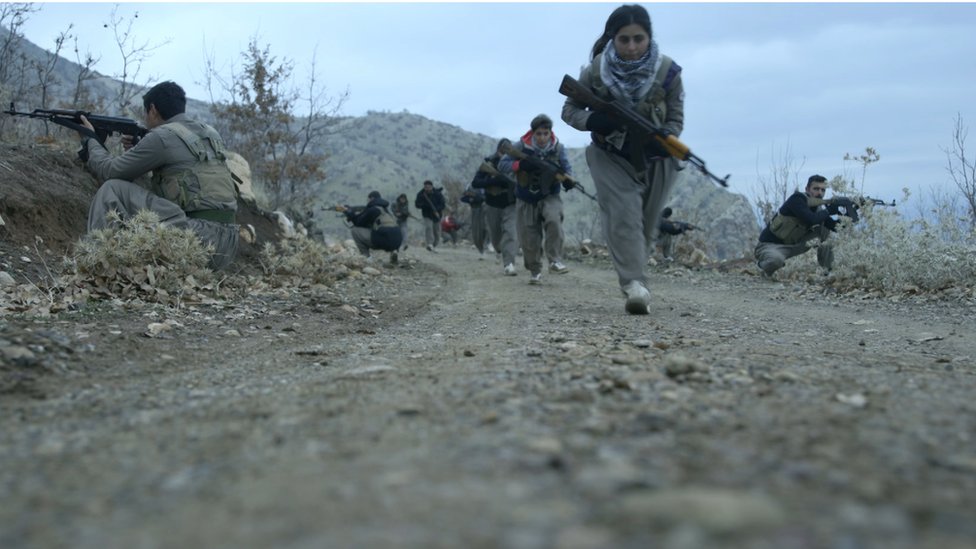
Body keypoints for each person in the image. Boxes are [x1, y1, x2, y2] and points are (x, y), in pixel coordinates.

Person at [561, 4, 685, 313]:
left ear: (649, 37)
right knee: (624, 216)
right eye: (624, 39)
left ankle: (636, 276)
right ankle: (634, 285)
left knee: (646, 224)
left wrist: (661, 137)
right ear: (612, 39)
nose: (631, 47)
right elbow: (570, 110)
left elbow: (676, 120)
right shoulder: (595, 72)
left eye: (638, 39)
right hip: (610, 155)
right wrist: (593, 122)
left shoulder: (668, 73)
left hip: (656, 159)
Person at [78, 81, 239, 270]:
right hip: (226, 245)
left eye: (145, 113)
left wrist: (90, 139)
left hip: (195, 240)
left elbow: (110, 171)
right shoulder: (210, 133)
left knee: (112, 189)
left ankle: (96, 264)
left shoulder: (162, 136)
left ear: (152, 109)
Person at [498, 114, 572, 285]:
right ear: (533, 133)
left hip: (550, 195)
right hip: (526, 197)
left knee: (554, 221)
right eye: (538, 134)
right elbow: (502, 165)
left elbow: (567, 168)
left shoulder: (558, 148)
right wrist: (519, 165)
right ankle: (535, 270)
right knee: (529, 237)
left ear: (550, 133)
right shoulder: (520, 147)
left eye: (545, 133)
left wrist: (568, 180)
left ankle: (554, 260)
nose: (542, 137)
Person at [754, 174, 852, 278]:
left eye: (823, 190)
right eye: (816, 189)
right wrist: (829, 210)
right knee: (775, 261)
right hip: (770, 246)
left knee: (824, 230)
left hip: (794, 245)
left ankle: (827, 272)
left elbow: (835, 227)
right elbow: (811, 219)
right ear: (807, 189)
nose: (820, 193)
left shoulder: (817, 208)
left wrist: (848, 215)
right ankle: (761, 266)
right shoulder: (797, 199)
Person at [470, 138, 519, 276]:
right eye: (502, 150)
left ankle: (509, 263)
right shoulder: (489, 163)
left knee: (511, 233)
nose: (504, 153)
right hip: (492, 204)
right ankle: (499, 250)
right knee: (496, 237)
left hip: (510, 204)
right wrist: (493, 180)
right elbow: (476, 182)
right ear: (498, 150)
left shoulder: (515, 163)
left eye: (507, 150)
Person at [337, 190, 403, 264]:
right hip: (398, 240)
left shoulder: (372, 209)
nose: (367, 202)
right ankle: (394, 251)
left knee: (355, 231)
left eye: (367, 200)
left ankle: (367, 258)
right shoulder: (386, 210)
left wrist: (349, 213)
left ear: (371, 199)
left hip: (385, 239)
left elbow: (358, 222)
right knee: (387, 231)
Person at [415, 180, 445, 252]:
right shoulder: (421, 194)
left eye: (429, 187)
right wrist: (425, 206)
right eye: (426, 187)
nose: (427, 188)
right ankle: (430, 244)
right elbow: (417, 204)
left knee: (437, 232)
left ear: (432, 187)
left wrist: (436, 210)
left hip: (437, 215)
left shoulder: (438, 194)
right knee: (429, 228)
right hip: (427, 214)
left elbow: (442, 204)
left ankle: (433, 245)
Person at [460, 183, 487, 257]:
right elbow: (463, 198)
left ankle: (486, 246)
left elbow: (484, 197)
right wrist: (470, 198)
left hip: (484, 209)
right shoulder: (470, 185)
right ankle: (481, 249)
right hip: (474, 210)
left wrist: (475, 196)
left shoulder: (485, 185)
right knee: (475, 232)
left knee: (485, 228)